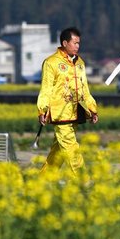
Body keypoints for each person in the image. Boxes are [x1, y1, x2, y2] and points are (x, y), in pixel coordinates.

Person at [37, 27, 98, 175]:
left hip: (76, 112)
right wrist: (42, 109)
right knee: (71, 147)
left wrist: (92, 108)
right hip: (60, 113)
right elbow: (46, 88)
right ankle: (83, 178)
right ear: (65, 43)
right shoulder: (51, 62)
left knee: (58, 151)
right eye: (75, 43)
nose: (77, 46)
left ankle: (43, 179)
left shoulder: (80, 63)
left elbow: (85, 89)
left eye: (79, 43)